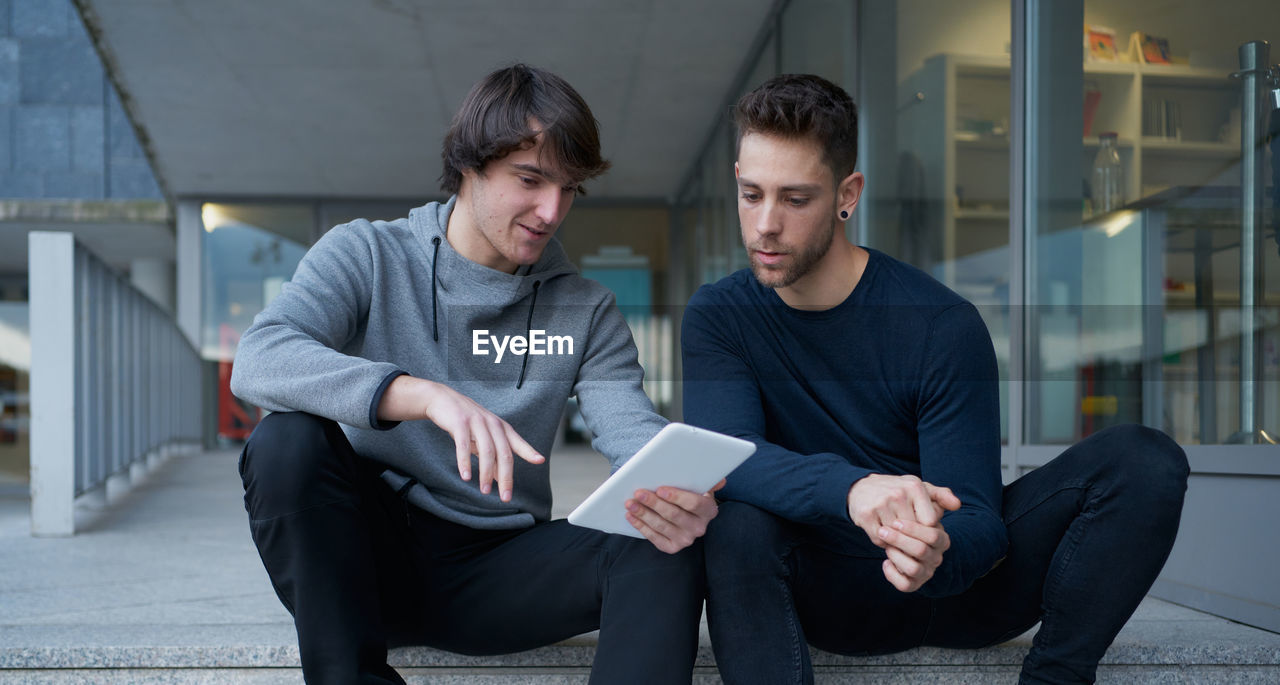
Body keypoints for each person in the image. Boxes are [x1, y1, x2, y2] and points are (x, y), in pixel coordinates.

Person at [681, 73, 1189, 685]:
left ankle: (1056, 676)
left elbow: (976, 514)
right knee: (735, 519)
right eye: (752, 194)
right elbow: (731, 459)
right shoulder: (720, 316)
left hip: (959, 589)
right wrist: (854, 489)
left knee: (1144, 459)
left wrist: (936, 551)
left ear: (848, 194)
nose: (765, 225)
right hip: (820, 591)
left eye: (794, 199)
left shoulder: (940, 324)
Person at [231, 64, 719, 685]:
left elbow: (631, 434)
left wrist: (679, 489)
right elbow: (260, 357)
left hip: (498, 570)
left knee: (659, 539)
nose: (551, 210)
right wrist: (418, 394)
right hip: (359, 563)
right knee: (285, 441)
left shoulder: (584, 309)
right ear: (469, 166)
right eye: (530, 179)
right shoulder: (368, 253)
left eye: (568, 189)